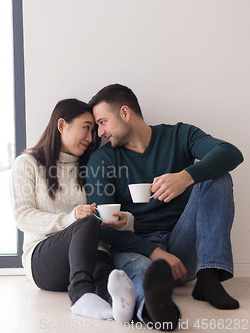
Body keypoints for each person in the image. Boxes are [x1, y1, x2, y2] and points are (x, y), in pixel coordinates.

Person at [86, 84, 244, 331]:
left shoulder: (179, 135)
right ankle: (155, 309)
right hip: (137, 247)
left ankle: (209, 277)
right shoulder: (102, 160)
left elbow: (231, 153)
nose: (100, 132)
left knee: (218, 177)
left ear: (125, 113)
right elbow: (102, 225)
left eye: (103, 122)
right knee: (142, 272)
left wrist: (185, 177)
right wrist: (154, 252)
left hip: (185, 246)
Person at [10, 98, 136, 322]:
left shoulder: (91, 166)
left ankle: (118, 304)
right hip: (44, 261)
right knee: (84, 224)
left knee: (104, 270)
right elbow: (22, 216)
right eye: (86, 128)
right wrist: (71, 218)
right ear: (61, 125)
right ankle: (80, 295)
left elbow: (113, 207)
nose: (91, 137)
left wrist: (125, 220)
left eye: (94, 131)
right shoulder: (27, 163)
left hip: (91, 255)